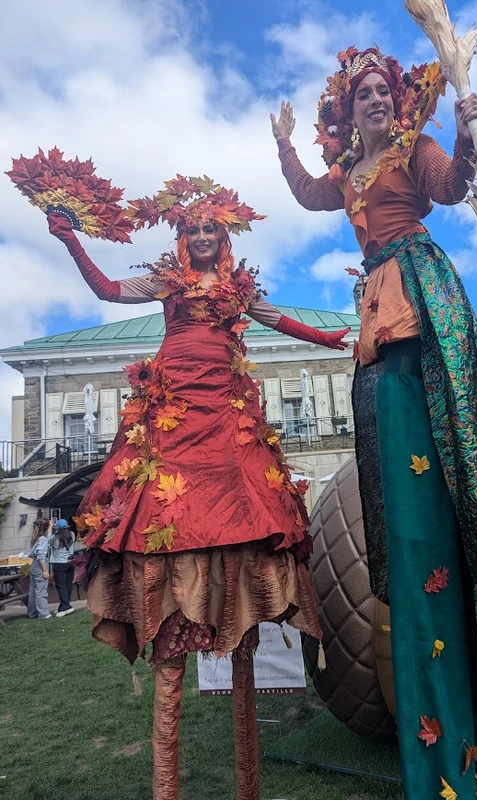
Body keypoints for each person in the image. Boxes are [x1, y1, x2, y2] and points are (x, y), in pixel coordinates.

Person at [272, 46, 477, 799]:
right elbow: (308, 195)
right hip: (379, 321)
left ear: (397, 101)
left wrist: (467, 134)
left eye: (384, 90)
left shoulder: (413, 150)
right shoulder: (348, 173)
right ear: (348, 111)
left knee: (449, 447)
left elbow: (449, 187)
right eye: (364, 93)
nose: (377, 99)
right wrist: (283, 147)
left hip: (423, 296)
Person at [46, 175, 349, 800]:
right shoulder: (166, 281)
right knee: (160, 506)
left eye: (213, 227)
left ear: (224, 237)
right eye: (194, 228)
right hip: (174, 412)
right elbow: (106, 289)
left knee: (244, 504)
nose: (204, 235)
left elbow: (278, 319)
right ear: (183, 236)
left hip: (225, 412)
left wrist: (329, 339)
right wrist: (70, 239)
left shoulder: (239, 289)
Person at [49, 518, 75, 617]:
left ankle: (66, 607)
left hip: (59, 564)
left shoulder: (55, 538)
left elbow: (48, 539)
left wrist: (50, 527)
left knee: (61, 586)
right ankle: (63, 606)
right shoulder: (72, 535)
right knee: (68, 585)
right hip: (70, 562)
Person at [26, 518, 51, 620]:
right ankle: (43, 613)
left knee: (33, 590)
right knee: (41, 590)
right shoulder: (43, 539)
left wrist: (49, 528)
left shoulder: (35, 538)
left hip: (34, 564)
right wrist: (45, 570)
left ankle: (32, 613)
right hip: (40, 564)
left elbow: (30, 553)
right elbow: (41, 555)